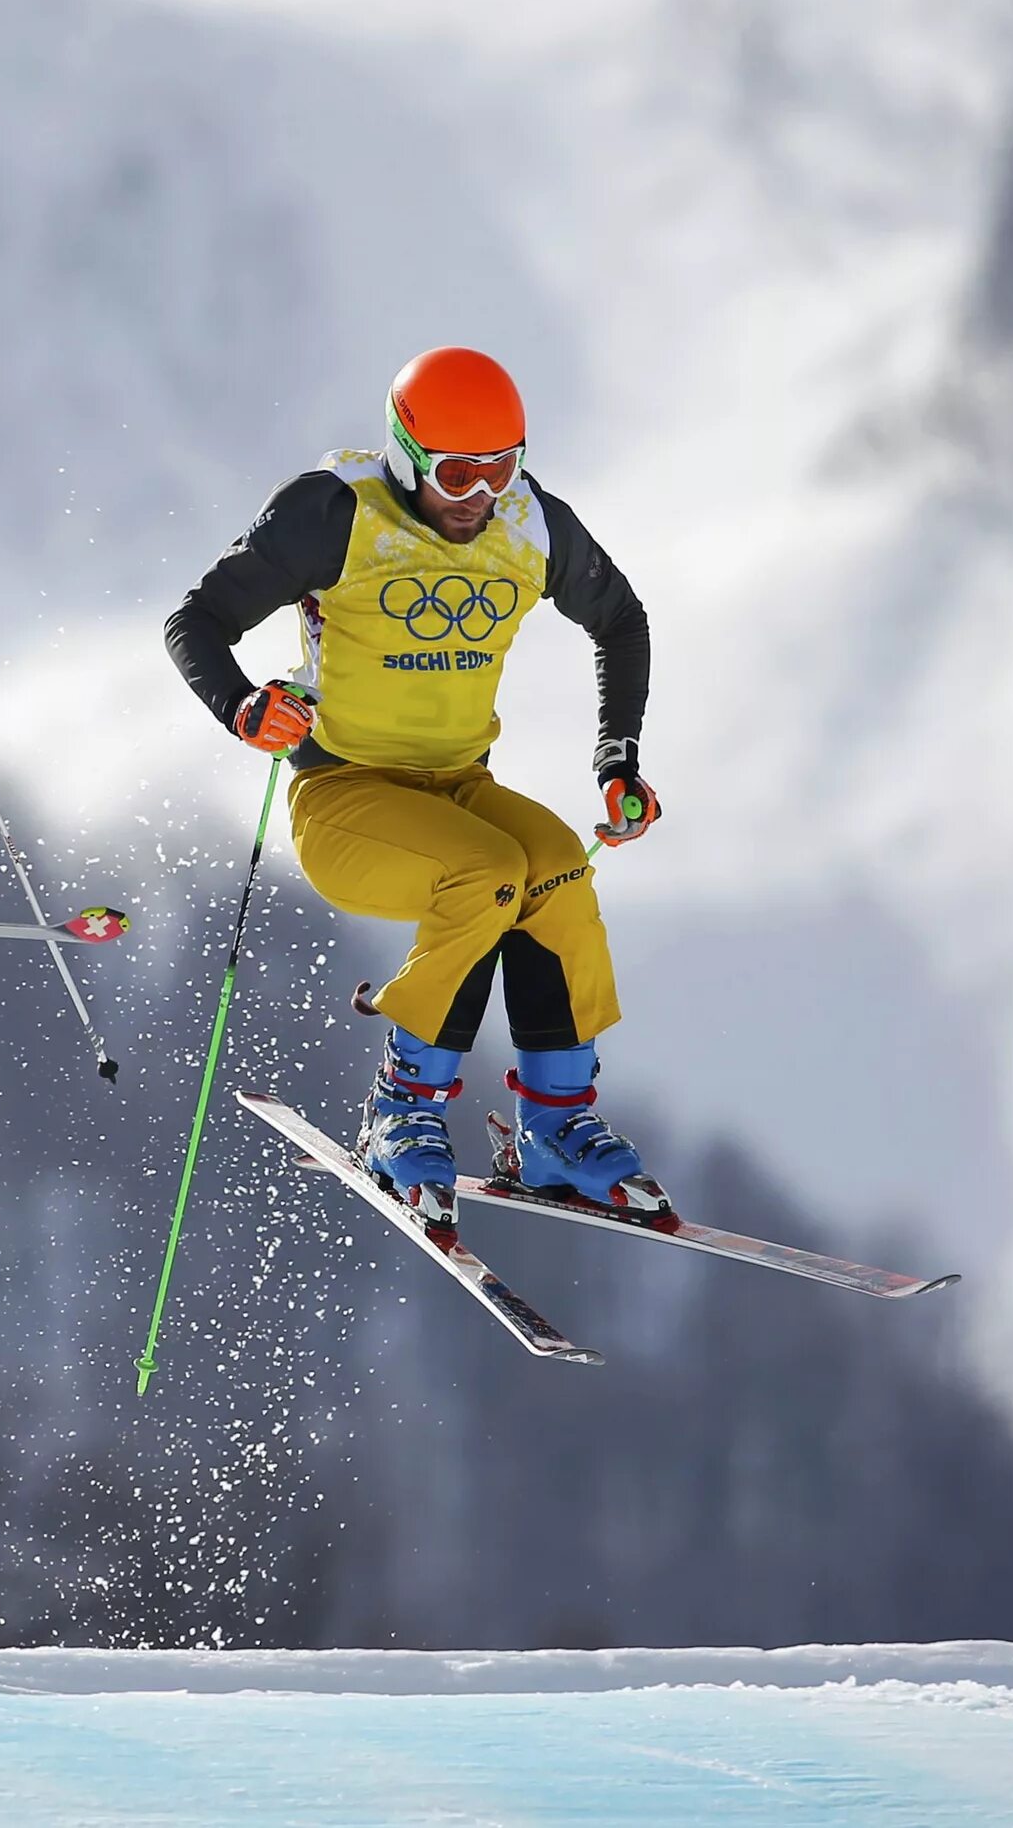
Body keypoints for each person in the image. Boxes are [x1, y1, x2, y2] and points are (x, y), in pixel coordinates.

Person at [164, 345, 665, 1238]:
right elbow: (194, 621)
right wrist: (244, 708)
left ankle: (554, 1127)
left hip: (458, 784)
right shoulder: (331, 516)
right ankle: (402, 1110)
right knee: (487, 873)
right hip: (344, 796)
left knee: (553, 870)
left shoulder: (530, 523)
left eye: (502, 468)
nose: (480, 496)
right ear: (404, 457)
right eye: (457, 472)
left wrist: (616, 760)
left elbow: (620, 620)